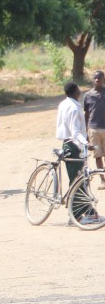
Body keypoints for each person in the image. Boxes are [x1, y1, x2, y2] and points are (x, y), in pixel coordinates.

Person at [57, 80, 96, 223]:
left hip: (68, 144)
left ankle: (90, 212)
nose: (80, 91)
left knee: (81, 179)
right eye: (79, 89)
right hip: (74, 146)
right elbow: (75, 132)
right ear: (75, 91)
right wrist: (87, 143)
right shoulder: (73, 108)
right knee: (77, 181)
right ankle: (75, 216)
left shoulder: (63, 104)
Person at [83, 70, 105, 186]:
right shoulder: (88, 95)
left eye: (99, 78)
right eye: (95, 78)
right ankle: (102, 180)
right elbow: (86, 114)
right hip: (93, 129)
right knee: (98, 155)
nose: (97, 80)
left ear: (103, 79)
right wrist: (86, 131)